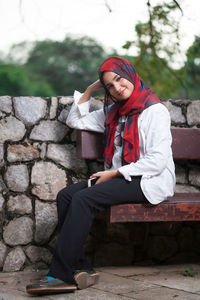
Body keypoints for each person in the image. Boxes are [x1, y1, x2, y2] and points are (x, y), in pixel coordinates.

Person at [26, 56, 175, 295]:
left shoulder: (154, 111)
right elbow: (75, 120)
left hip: (148, 180)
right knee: (66, 196)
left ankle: (61, 275)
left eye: (119, 79)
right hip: (118, 177)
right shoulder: (113, 112)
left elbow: (157, 162)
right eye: (110, 87)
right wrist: (91, 88)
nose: (117, 88)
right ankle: (81, 267)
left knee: (84, 198)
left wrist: (115, 173)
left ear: (130, 72)